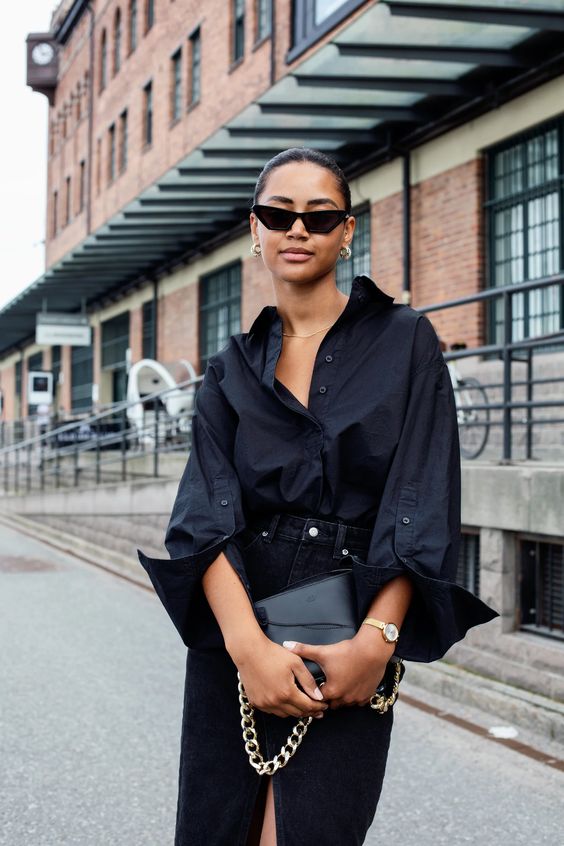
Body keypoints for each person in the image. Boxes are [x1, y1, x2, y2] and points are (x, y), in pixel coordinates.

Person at [138, 147, 499, 846]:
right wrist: (247, 648)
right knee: (219, 828)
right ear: (255, 229)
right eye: (279, 214)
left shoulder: (406, 342)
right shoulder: (228, 370)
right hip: (238, 625)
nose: (296, 229)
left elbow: (418, 501)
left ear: (346, 230)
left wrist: (377, 641)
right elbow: (204, 516)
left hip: (351, 622)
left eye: (317, 216)